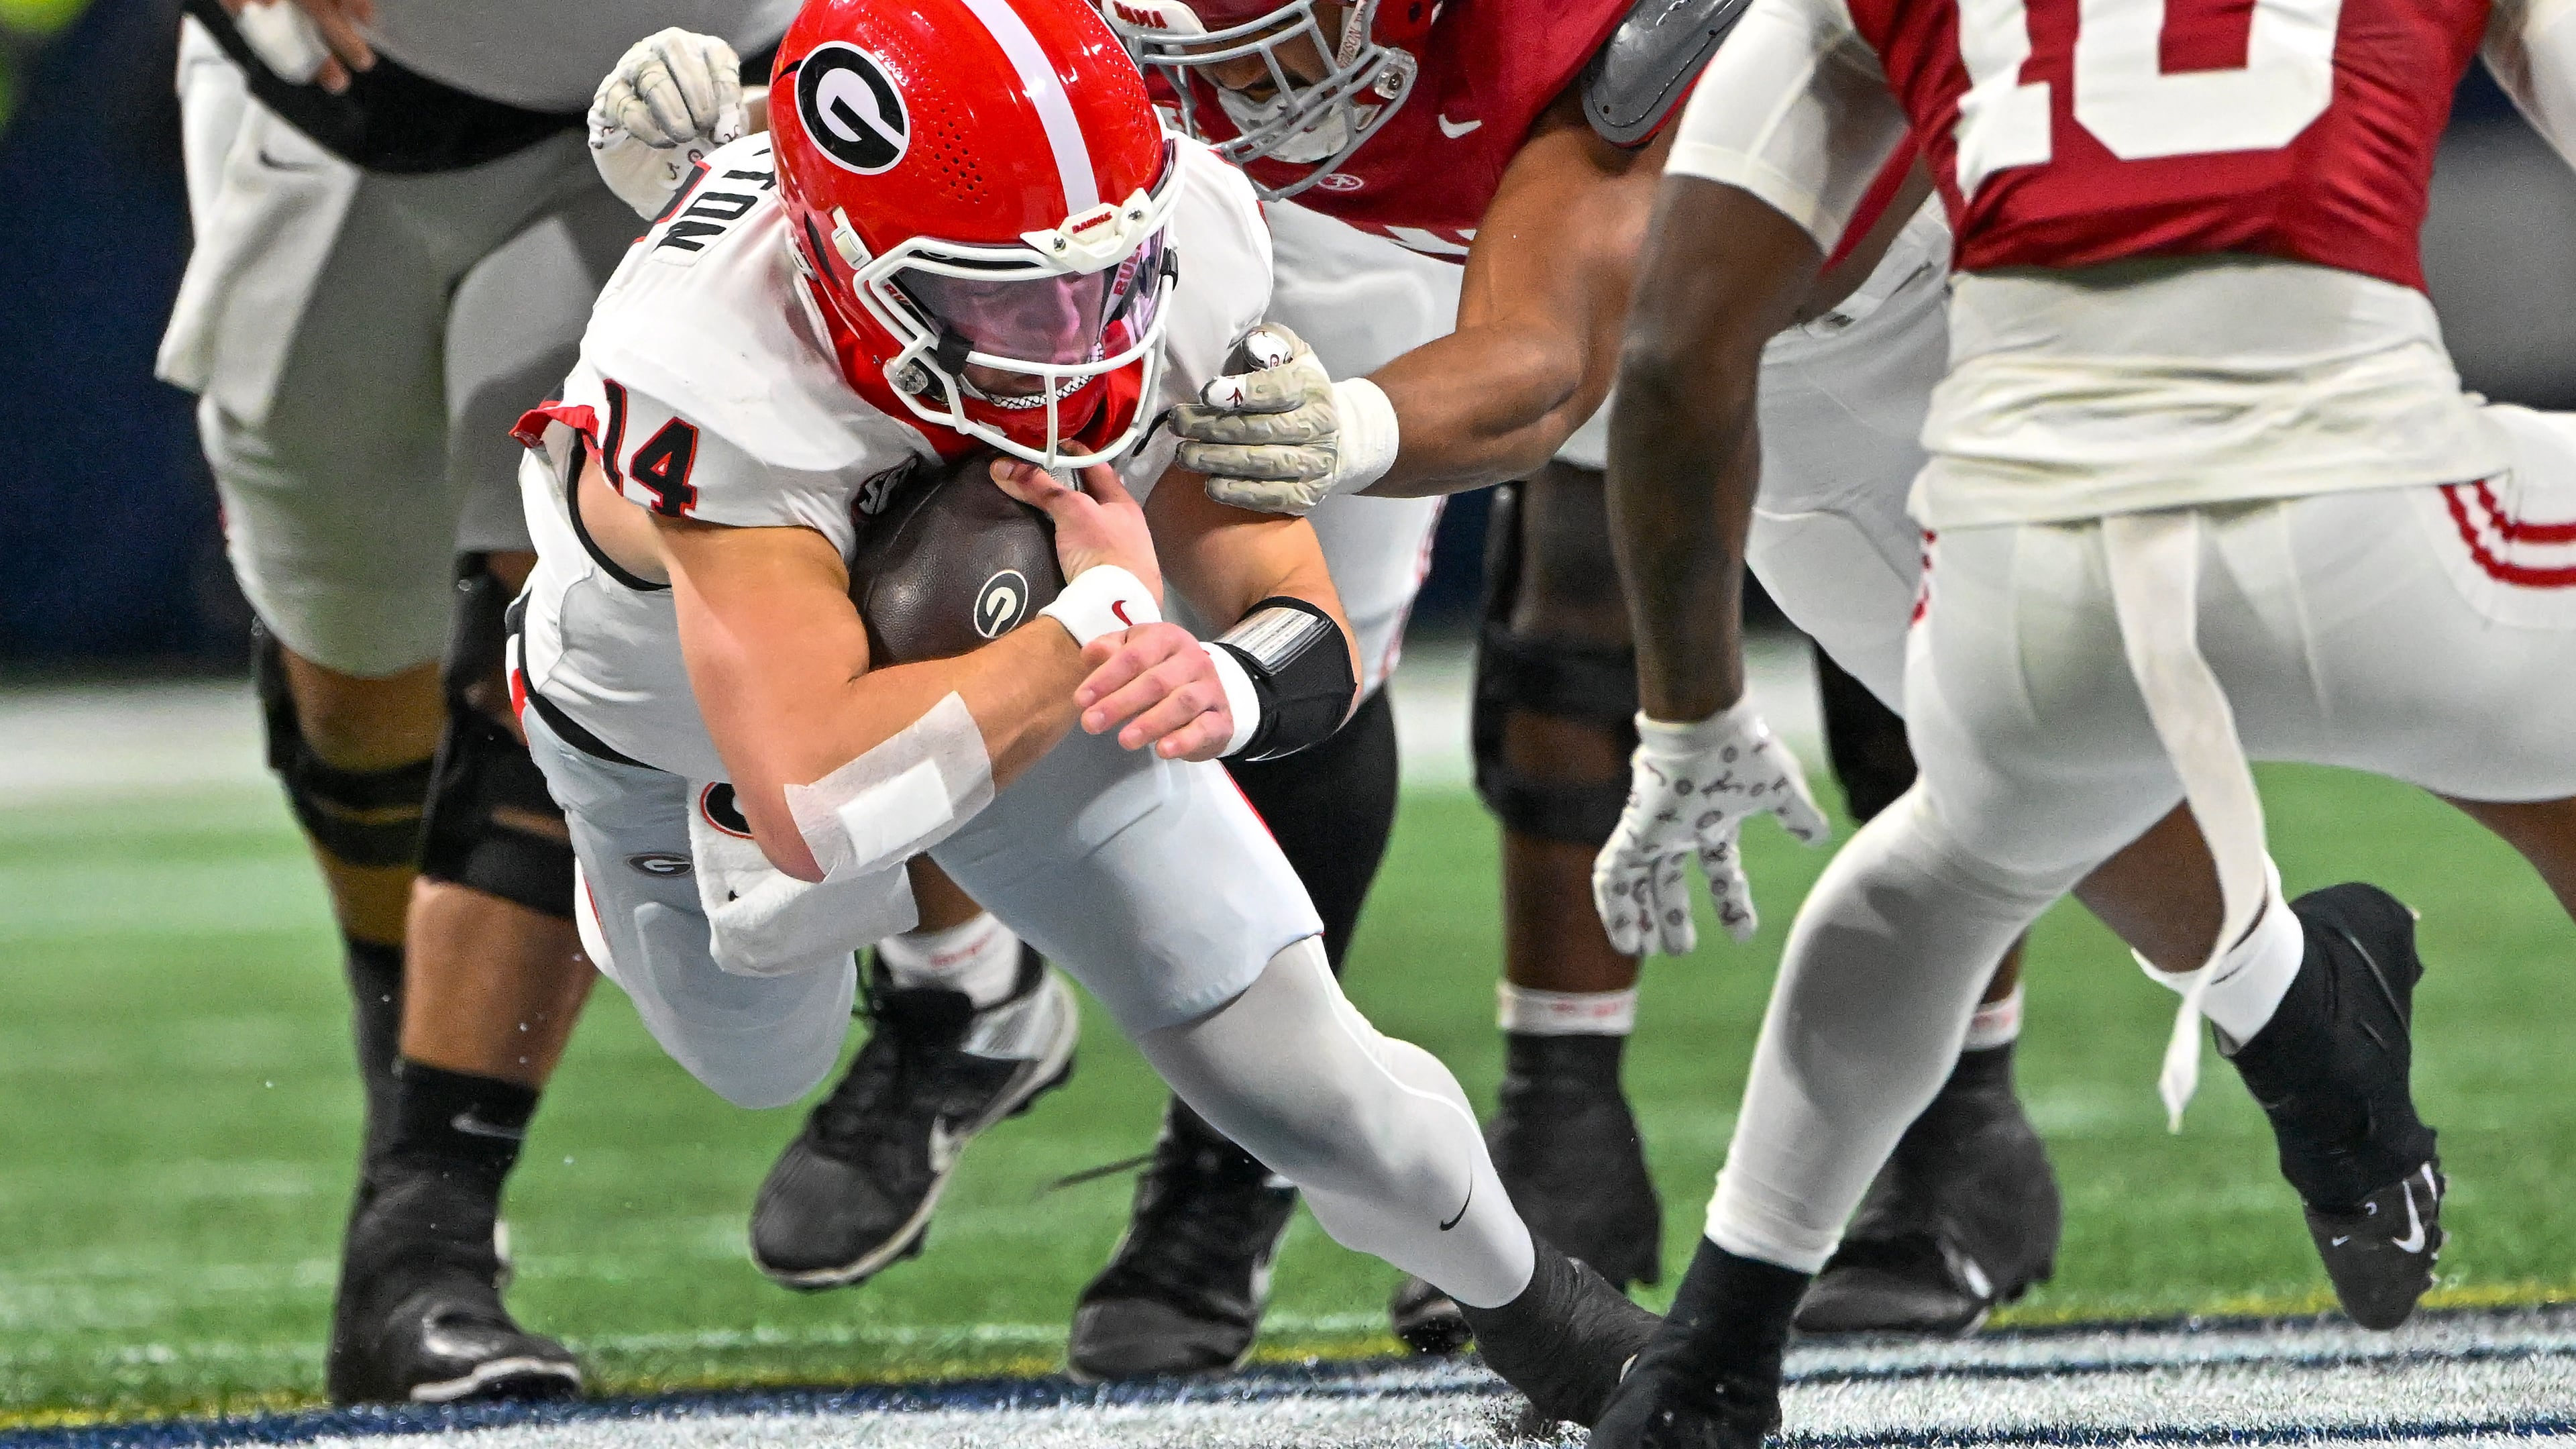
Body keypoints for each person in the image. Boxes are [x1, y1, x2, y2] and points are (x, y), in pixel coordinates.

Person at [511, 0, 1661, 1428]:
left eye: (1100, 282)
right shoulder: (718, 366)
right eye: (999, 299)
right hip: (688, 738)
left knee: (1295, 1058)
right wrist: (1101, 614)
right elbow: (817, 803)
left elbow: (1297, 624)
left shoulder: (1170, 241)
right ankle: (962, 979)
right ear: (840, 263)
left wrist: (1222, 682)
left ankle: (1554, 1319)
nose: (1067, 340)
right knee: (762, 1053)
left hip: (1013, 657)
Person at [1585, 0, 2576, 1434]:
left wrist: (1690, 719)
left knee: (1948, 865)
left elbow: (1674, 360)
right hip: (2375, 535)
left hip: (2034, 581)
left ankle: (1710, 1363)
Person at [1093, 0, 2060, 1350]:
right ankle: (1564, 1114)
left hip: (1884, 179)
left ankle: (1977, 1119)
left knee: (1936, 651)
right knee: (1570, 621)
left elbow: (1546, 362)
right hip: (1588, 207)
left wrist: (1351, 422)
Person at [155, 0, 794, 1403]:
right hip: (341, 110)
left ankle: (425, 1236)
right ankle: (398, 1019)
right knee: (356, 678)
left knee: (577, 624)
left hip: (692, 99)